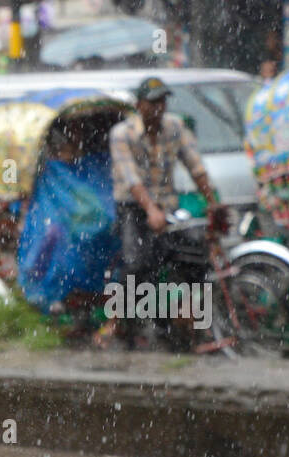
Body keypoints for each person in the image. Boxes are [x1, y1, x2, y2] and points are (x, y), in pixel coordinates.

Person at [107, 77, 229, 350]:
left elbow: (195, 166)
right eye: (152, 102)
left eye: (162, 101)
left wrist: (213, 202)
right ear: (139, 105)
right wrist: (150, 210)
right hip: (134, 207)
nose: (159, 108)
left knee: (196, 255)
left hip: (168, 206)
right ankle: (118, 319)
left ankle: (187, 318)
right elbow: (131, 178)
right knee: (138, 263)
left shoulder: (175, 127)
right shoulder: (122, 134)